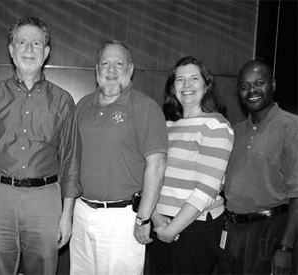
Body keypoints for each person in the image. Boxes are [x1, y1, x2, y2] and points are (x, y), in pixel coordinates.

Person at [0, 17, 81, 275]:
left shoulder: (63, 101)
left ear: (46, 52)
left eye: (36, 43)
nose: (29, 49)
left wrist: (67, 215)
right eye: (22, 42)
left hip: (46, 199)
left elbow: (71, 161)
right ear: (11, 51)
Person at [69, 40, 167, 275]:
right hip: (81, 213)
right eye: (105, 64)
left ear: (130, 69)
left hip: (123, 220)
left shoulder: (146, 108)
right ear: (96, 70)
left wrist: (144, 218)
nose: (111, 70)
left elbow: (157, 165)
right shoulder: (82, 106)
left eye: (118, 64)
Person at [148, 56, 234, 274]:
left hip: (195, 227)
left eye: (194, 79)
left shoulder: (216, 126)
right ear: (172, 88)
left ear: (206, 85)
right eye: (180, 80)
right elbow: (153, 176)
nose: (187, 86)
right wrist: (157, 218)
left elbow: (206, 190)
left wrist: (172, 229)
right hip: (161, 223)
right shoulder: (166, 126)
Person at [218, 60, 297, 275]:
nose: (251, 91)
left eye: (259, 83)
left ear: (272, 84)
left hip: (268, 232)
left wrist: (285, 247)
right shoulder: (235, 130)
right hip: (232, 231)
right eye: (244, 86)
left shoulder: (291, 126)